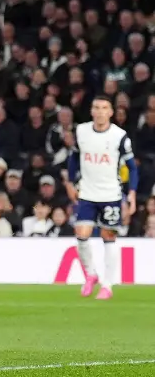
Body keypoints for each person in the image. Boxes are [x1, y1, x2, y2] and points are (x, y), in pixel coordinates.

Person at [66, 96, 137, 301]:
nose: (100, 112)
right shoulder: (81, 131)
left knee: (108, 237)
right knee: (81, 234)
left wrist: (131, 193)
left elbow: (132, 168)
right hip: (87, 192)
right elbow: (74, 159)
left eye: (104, 108)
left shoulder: (119, 136)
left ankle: (107, 285)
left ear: (111, 112)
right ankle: (91, 274)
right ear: (91, 111)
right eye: (96, 107)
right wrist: (70, 183)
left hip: (110, 194)